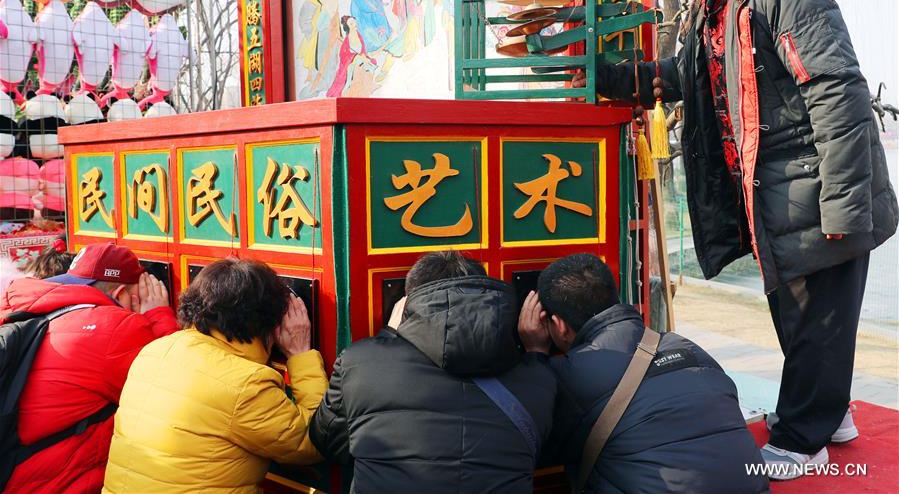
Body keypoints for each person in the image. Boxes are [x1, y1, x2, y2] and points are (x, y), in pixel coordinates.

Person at [573, 0, 898, 478]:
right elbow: (685, 76)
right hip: (773, 196)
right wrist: (620, 79)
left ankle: (804, 440)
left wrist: (844, 207)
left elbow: (838, 96)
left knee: (816, 318)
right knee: (799, 317)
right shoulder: (710, 8)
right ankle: (831, 410)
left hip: (817, 189)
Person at [518, 253, 768, 493]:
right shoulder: (688, 347)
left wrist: (535, 355)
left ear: (559, 326)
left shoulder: (570, 374)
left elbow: (534, 443)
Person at [309, 250, 556, 493]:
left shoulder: (359, 363)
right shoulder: (537, 378)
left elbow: (327, 440)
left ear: (407, 304)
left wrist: (391, 335)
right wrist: (536, 353)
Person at [103, 258, 327, 493]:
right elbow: (312, 441)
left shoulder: (155, 351)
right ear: (269, 321)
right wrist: (301, 355)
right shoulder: (245, 384)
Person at [1, 243, 177, 493]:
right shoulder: (115, 327)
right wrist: (158, 316)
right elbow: (170, 393)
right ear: (119, 296)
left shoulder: (32, 310)